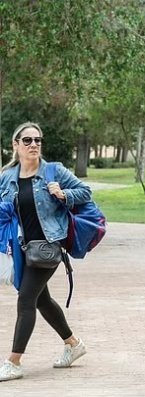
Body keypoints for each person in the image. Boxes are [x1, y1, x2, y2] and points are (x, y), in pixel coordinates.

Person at [0, 122, 91, 382]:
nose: (33, 145)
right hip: (21, 249)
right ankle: (73, 344)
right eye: (27, 140)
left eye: (37, 140)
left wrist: (63, 194)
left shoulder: (54, 171)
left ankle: (14, 361)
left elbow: (86, 191)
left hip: (48, 248)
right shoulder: (7, 177)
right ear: (15, 145)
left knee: (26, 300)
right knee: (41, 300)